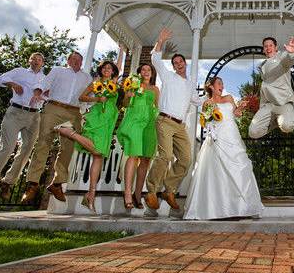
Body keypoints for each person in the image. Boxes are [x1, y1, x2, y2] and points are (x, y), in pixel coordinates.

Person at [184, 77, 263, 220]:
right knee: (216, 171)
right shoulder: (207, 103)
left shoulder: (229, 97)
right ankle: (218, 209)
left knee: (239, 167)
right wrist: (209, 123)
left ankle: (241, 208)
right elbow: (205, 123)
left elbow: (236, 115)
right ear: (212, 87)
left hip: (232, 134)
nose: (222, 85)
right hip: (217, 137)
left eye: (222, 83)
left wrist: (241, 107)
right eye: (219, 83)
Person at [21, 51, 92, 204]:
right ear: (68, 60)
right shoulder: (58, 70)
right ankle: (32, 183)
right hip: (54, 108)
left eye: (79, 60)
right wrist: (39, 92)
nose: (76, 62)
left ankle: (57, 183)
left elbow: (89, 96)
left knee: (68, 147)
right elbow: (44, 84)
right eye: (73, 59)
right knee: (43, 143)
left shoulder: (86, 77)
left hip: (73, 112)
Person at [145, 28, 202, 211]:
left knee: (186, 159)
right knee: (166, 156)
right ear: (173, 66)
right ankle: (152, 191)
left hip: (180, 126)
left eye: (180, 62)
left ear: (185, 63)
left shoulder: (190, 83)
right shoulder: (168, 76)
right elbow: (155, 59)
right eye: (175, 62)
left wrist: (215, 100)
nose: (178, 64)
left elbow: (197, 100)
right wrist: (160, 41)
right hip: (165, 121)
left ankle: (169, 190)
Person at [54, 60, 120, 212]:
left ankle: (90, 195)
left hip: (109, 120)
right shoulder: (95, 83)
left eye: (110, 68)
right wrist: (96, 99)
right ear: (101, 70)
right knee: (97, 151)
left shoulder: (115, 83)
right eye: (104, 68)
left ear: (113, 71)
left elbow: (120, 64)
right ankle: (70, 132)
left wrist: (123, 51)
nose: (107, 70)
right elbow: (82, 97)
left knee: (99, 156)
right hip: (98, 117)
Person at [0, 52, 46, 201]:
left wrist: (43, 96)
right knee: (8, 148)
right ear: (29, 60)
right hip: (15, 112)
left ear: (42, 63)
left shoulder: (45, 79)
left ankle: (8, 182)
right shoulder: (19, 72)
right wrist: (12, 83)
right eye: (34, 59)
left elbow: (50, 95)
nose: (36, 61)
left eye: (39, 59)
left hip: (34, 115)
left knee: (26, 150)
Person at [116, 63, 159, 210]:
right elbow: (125, 104)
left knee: (145, 159)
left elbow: (157, 107)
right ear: (139, 73)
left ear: (152, 73)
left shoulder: (155, 89)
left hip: (149, 124)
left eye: (149, 70)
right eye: (143, 70)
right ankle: (127, 194)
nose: (146, 72)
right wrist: (128, 96)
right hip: (134, 121)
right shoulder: (132, 85)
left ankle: (137, 194)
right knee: (133, 156)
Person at [248, 36, 294, 139]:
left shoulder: (281, 57)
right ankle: (274, 120)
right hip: (267, 104)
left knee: (287, 126)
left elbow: (288, 60)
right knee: (253, 133)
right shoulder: (262, 65)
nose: (268, 48)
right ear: (263, 49)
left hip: (283, 102)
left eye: (271, 45)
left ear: (276, 48)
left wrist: (291, 53)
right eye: (265, 46)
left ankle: (280, 119)